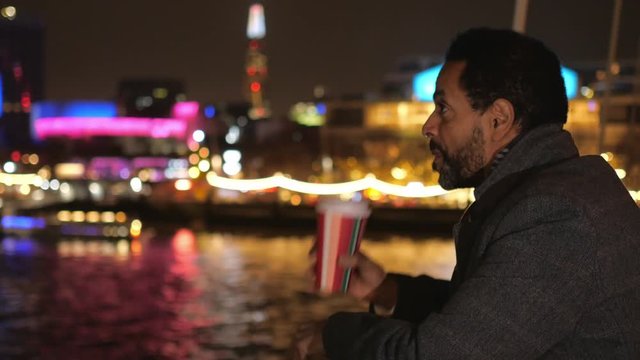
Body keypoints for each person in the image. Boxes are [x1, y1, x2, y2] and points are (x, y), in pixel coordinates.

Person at [293, 27, 640, 359]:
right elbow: (495, 318)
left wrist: (333, 335)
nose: (428, 126)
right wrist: (386, 291)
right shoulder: (559, 191)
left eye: (443, 108)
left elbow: (441, 354)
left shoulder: (555, 215)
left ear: (498, 119)